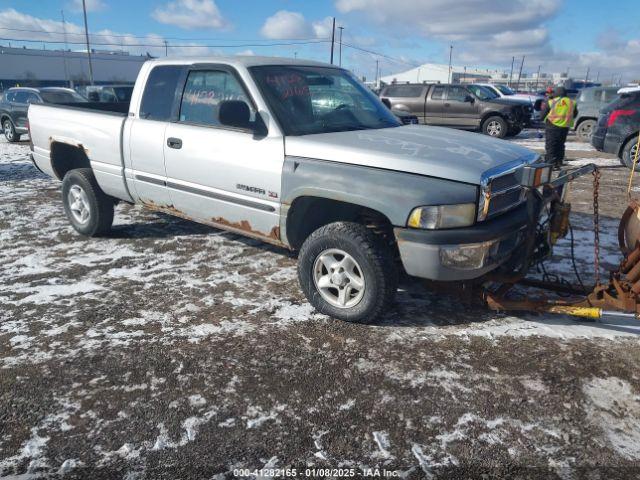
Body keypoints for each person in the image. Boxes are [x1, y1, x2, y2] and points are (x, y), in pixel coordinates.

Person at [541, 86, 577, 168]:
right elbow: (574, 114)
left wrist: (543, 119)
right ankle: (559, 162)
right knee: (560, 145)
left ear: (556, 93)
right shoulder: (572, 102)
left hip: (552, 126)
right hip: (564, 127)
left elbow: (542, 115)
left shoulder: (551, 102)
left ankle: (551, 164)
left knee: (551, 145)